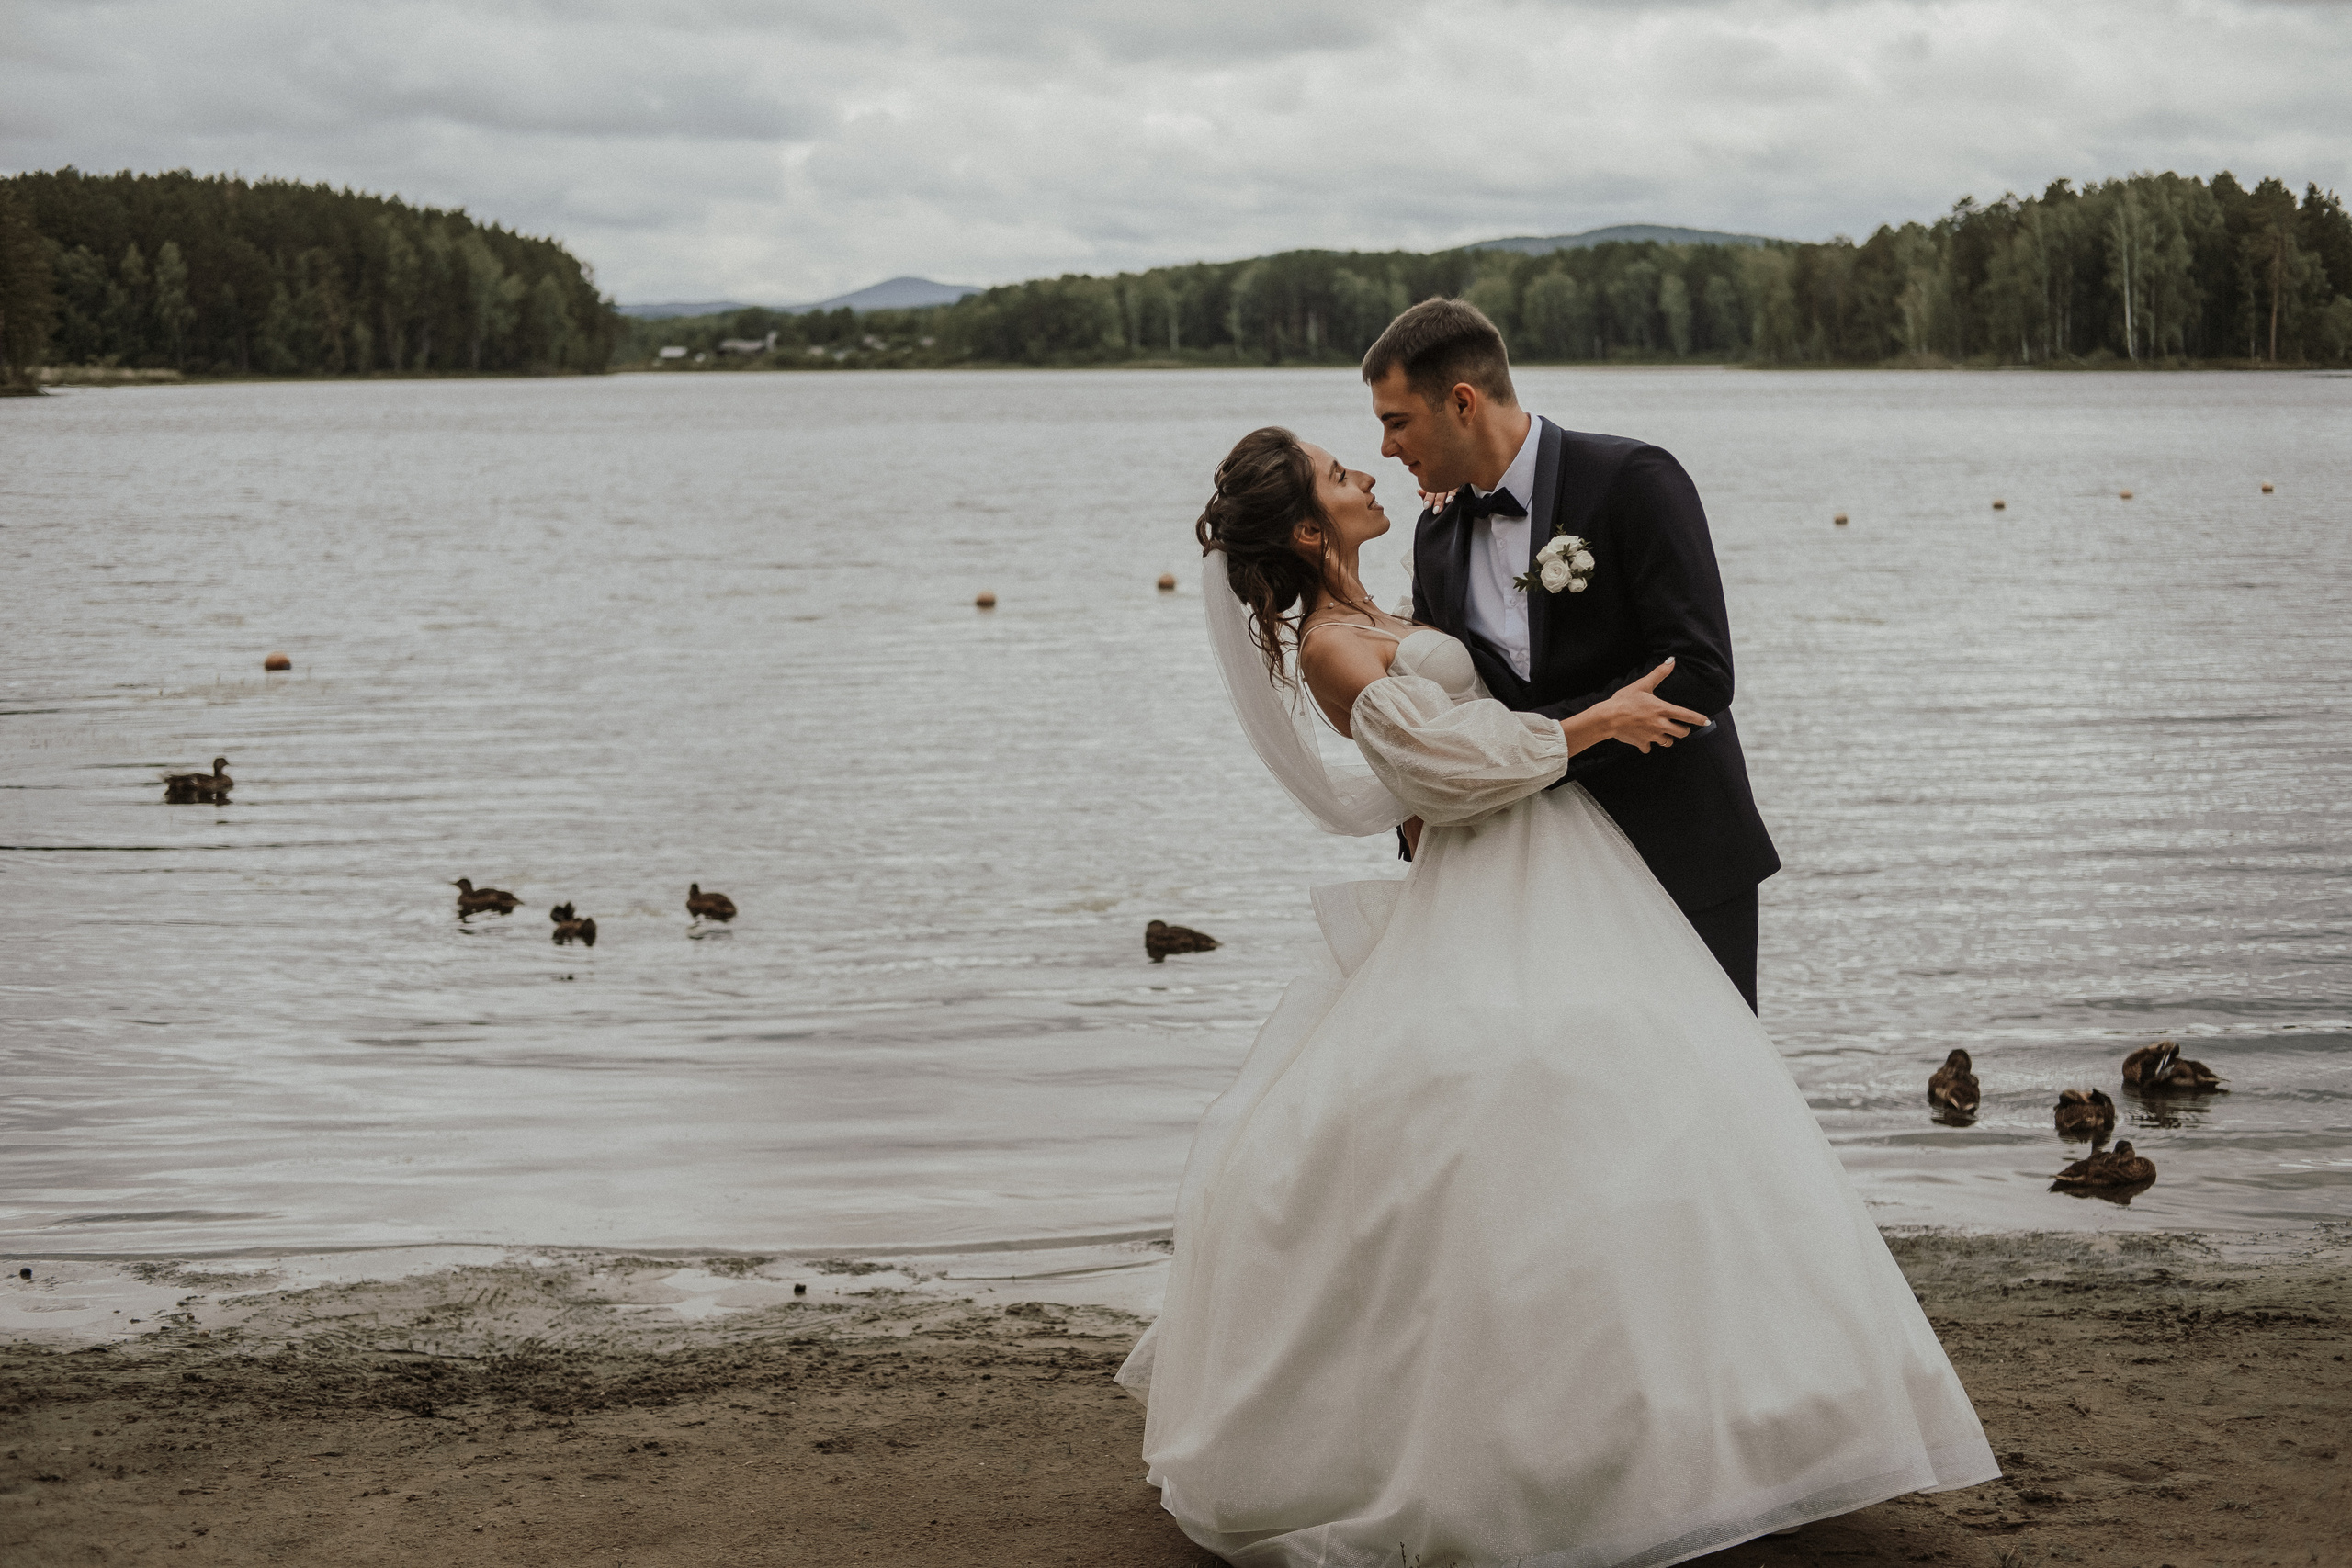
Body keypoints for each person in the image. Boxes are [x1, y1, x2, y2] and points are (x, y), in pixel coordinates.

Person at [1114, 400, 1998, 1565]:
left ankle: (1719, 1417)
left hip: (1563, 863)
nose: (1368, 466)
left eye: (1372, 439)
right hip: (1505, 866)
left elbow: (1452, 743)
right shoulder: (1335, 642)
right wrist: (1597, 723)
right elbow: (1447, 765)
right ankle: (1544, 1441)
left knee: (1659, 1110)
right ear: (1303, 529)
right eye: (1339, 468)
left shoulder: (1389, 599)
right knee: (1526, 1118)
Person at [1371, 298, 1777, 1010]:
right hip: (1534, 877)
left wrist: (1539, 748)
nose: (1385, 448)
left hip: (1678, 856)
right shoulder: (1436, 535)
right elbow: (1455, 707)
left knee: (1707, 1100)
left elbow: (1702, 672)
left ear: (1461, 402)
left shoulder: (1633, 480)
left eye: (1395, 421)